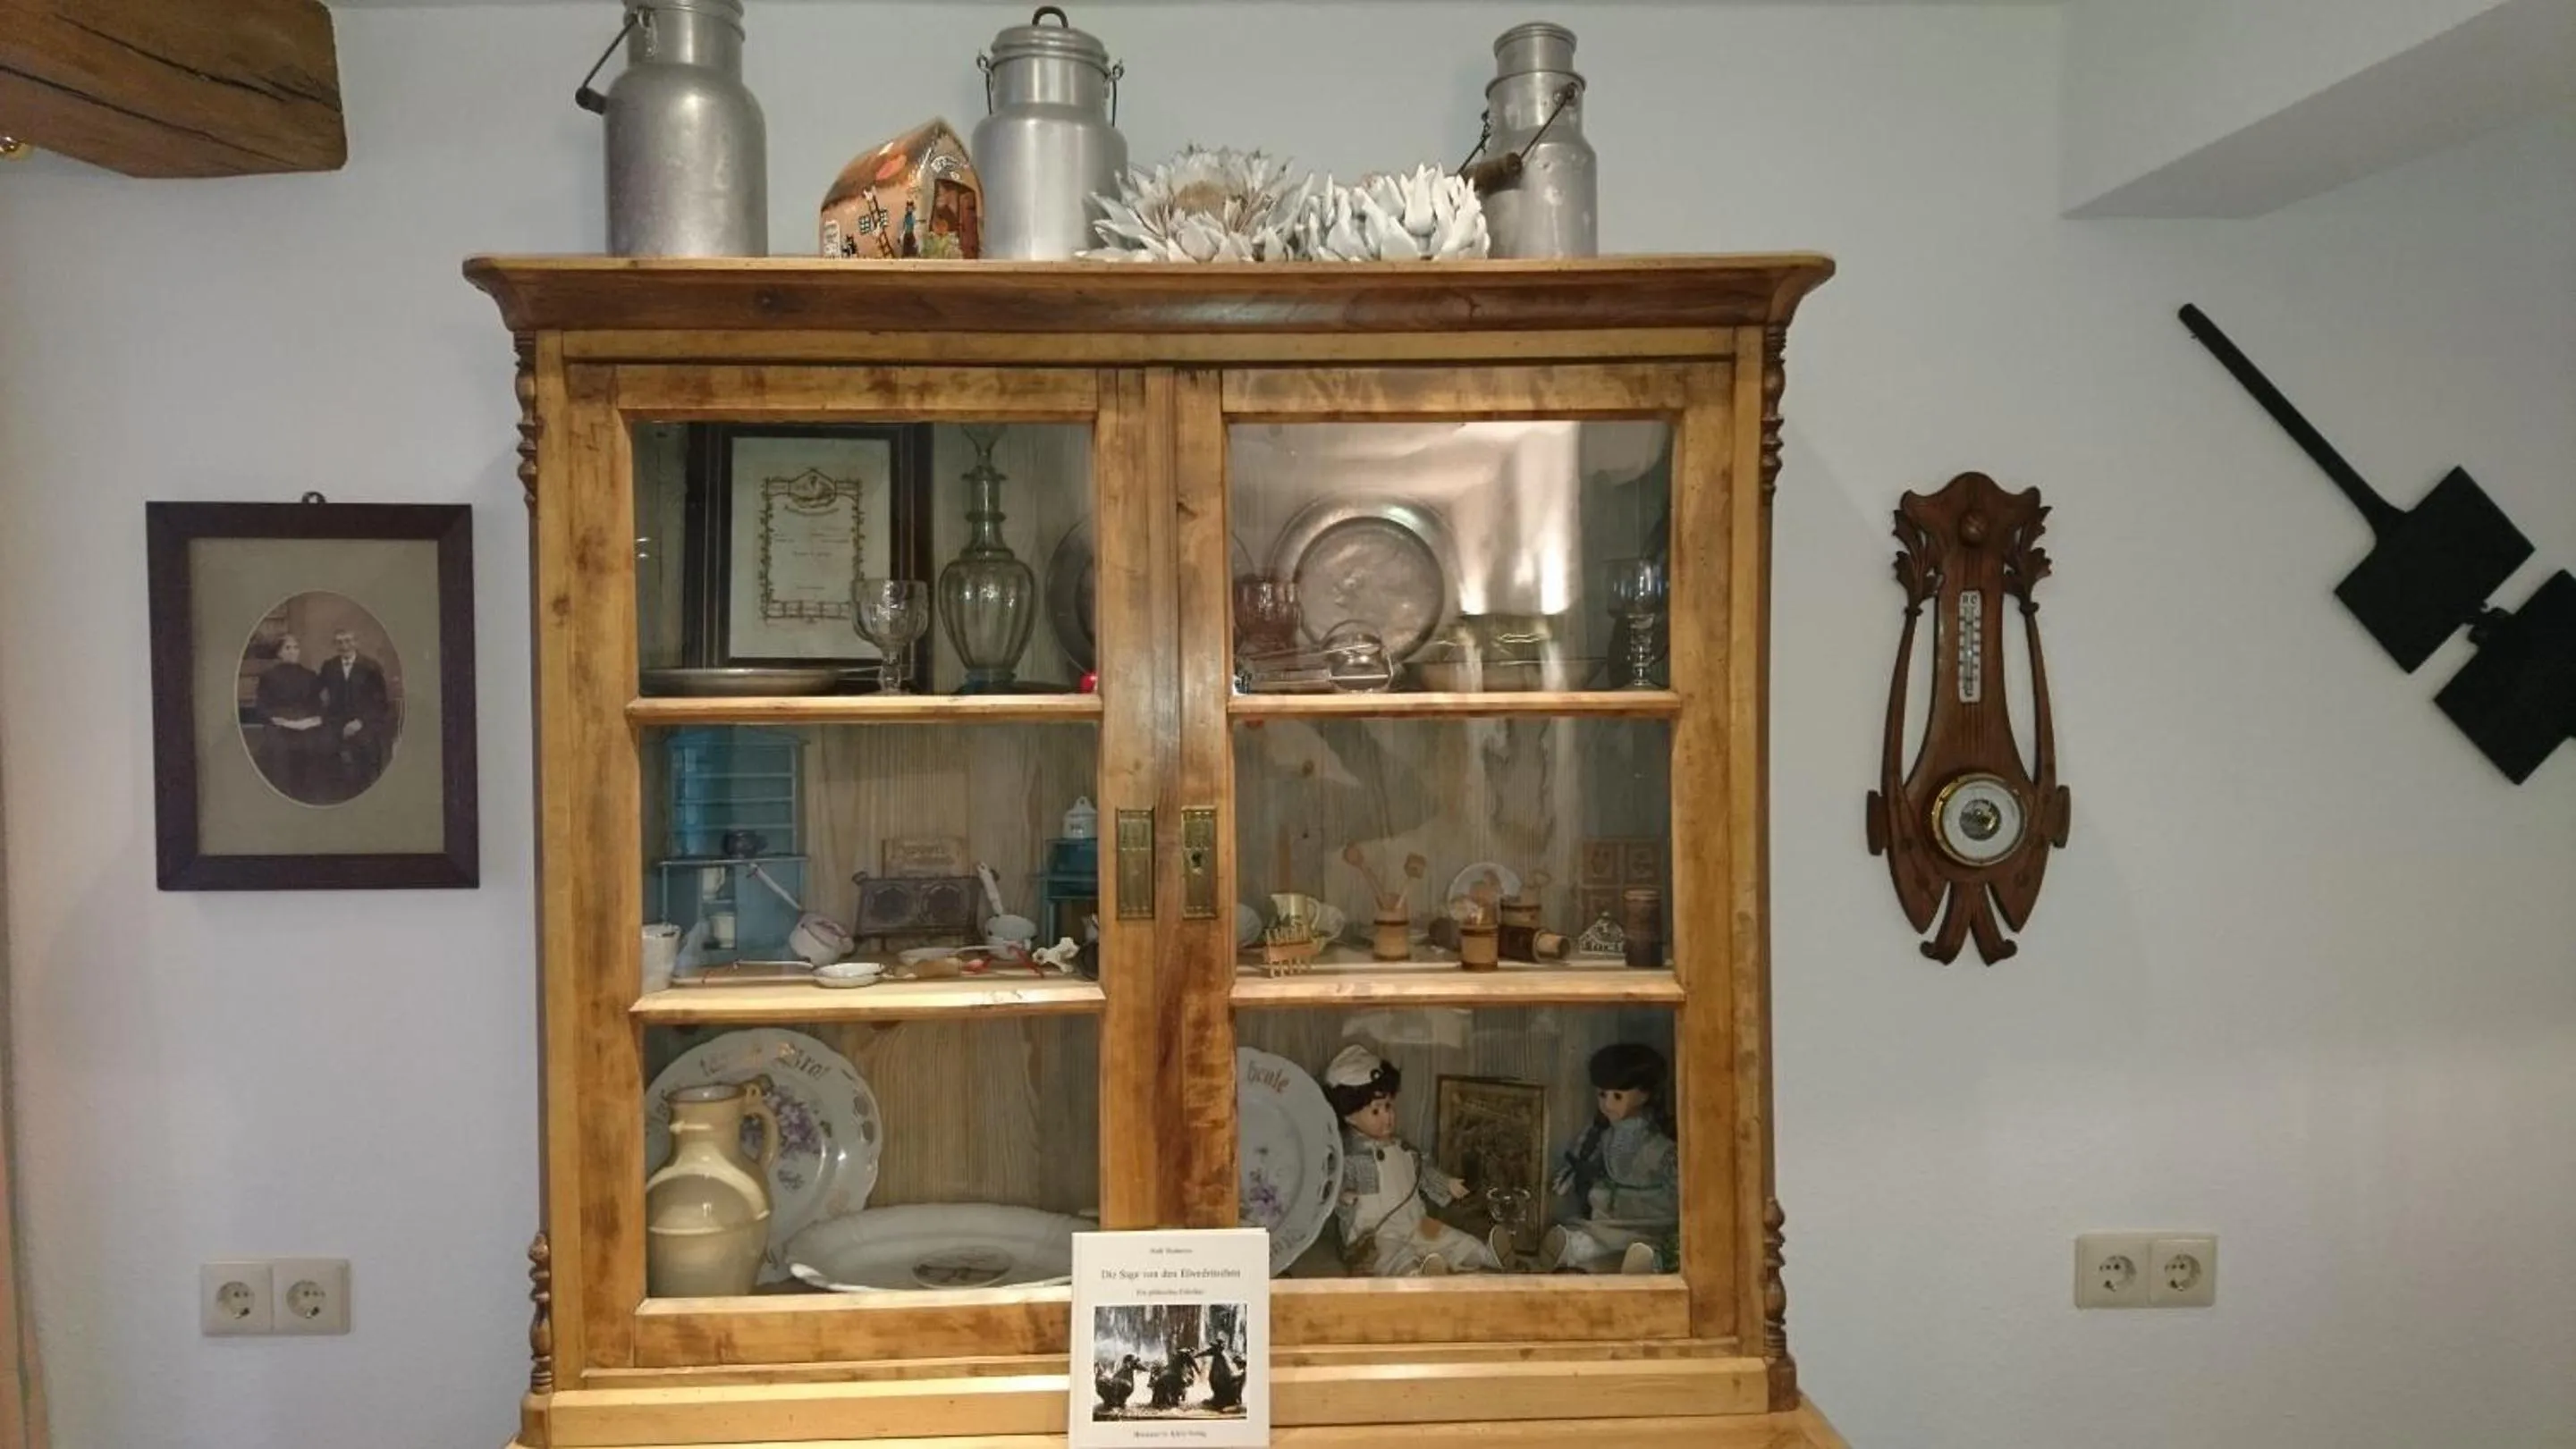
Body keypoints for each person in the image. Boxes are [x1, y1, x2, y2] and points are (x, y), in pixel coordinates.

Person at [1323, 1044, 1500, 1276]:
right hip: (1377, 1232)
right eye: (1376, 1111)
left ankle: (1487, 1256)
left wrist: (1447, 1184)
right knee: (1394, 1256)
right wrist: (1344, 1199)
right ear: (1349, 1116)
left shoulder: (1403, 1148)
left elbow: (1424, 1170)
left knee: (1451, 1239)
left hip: (1417, 1222)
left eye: (1389, 1106)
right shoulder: (1351, 1158)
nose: (1388, 1116)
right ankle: (1417, 1274)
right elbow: (1330, 1187)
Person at [1534, 1042, 1678, 1274]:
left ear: (1644, 1095)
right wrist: (1571, 1172)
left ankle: (1643, 1262)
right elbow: (1586, 1155)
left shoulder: (1659, 1145)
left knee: (1645, 1250)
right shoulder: (1605, 1134)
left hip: (1649, 1220)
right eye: (1603, 1094)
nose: (1607, 1104)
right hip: (1608, 1219)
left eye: (1617, 1096)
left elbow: (1678, 1185)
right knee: (1579, 1241)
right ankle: (1579, 1254)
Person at [252, 633, 331, 802]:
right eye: (288, 648)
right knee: (279, 749)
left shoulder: (310, 675)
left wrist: (316, 718)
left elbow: (316, 704)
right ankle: (284, 796)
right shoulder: (268, 676)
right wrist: (274, 719)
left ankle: (310, 797)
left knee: (316, 746)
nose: (293, 651)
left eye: (296, 648)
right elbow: (261, 706)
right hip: (280, 723)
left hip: (305, 722)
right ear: (279, 653)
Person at [316, 627, 393, 800]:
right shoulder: (329, 666)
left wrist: (360, 722)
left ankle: (365, 796)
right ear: (335, 645)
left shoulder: (371, 666)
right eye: (340, 642)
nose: (344, 646)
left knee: (366, 750)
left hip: (364, 722)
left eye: (348, 641)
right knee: (323, 747)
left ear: (356, 642)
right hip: (336, 722)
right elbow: (316, 692)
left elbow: (380, 704)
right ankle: (336, 798)